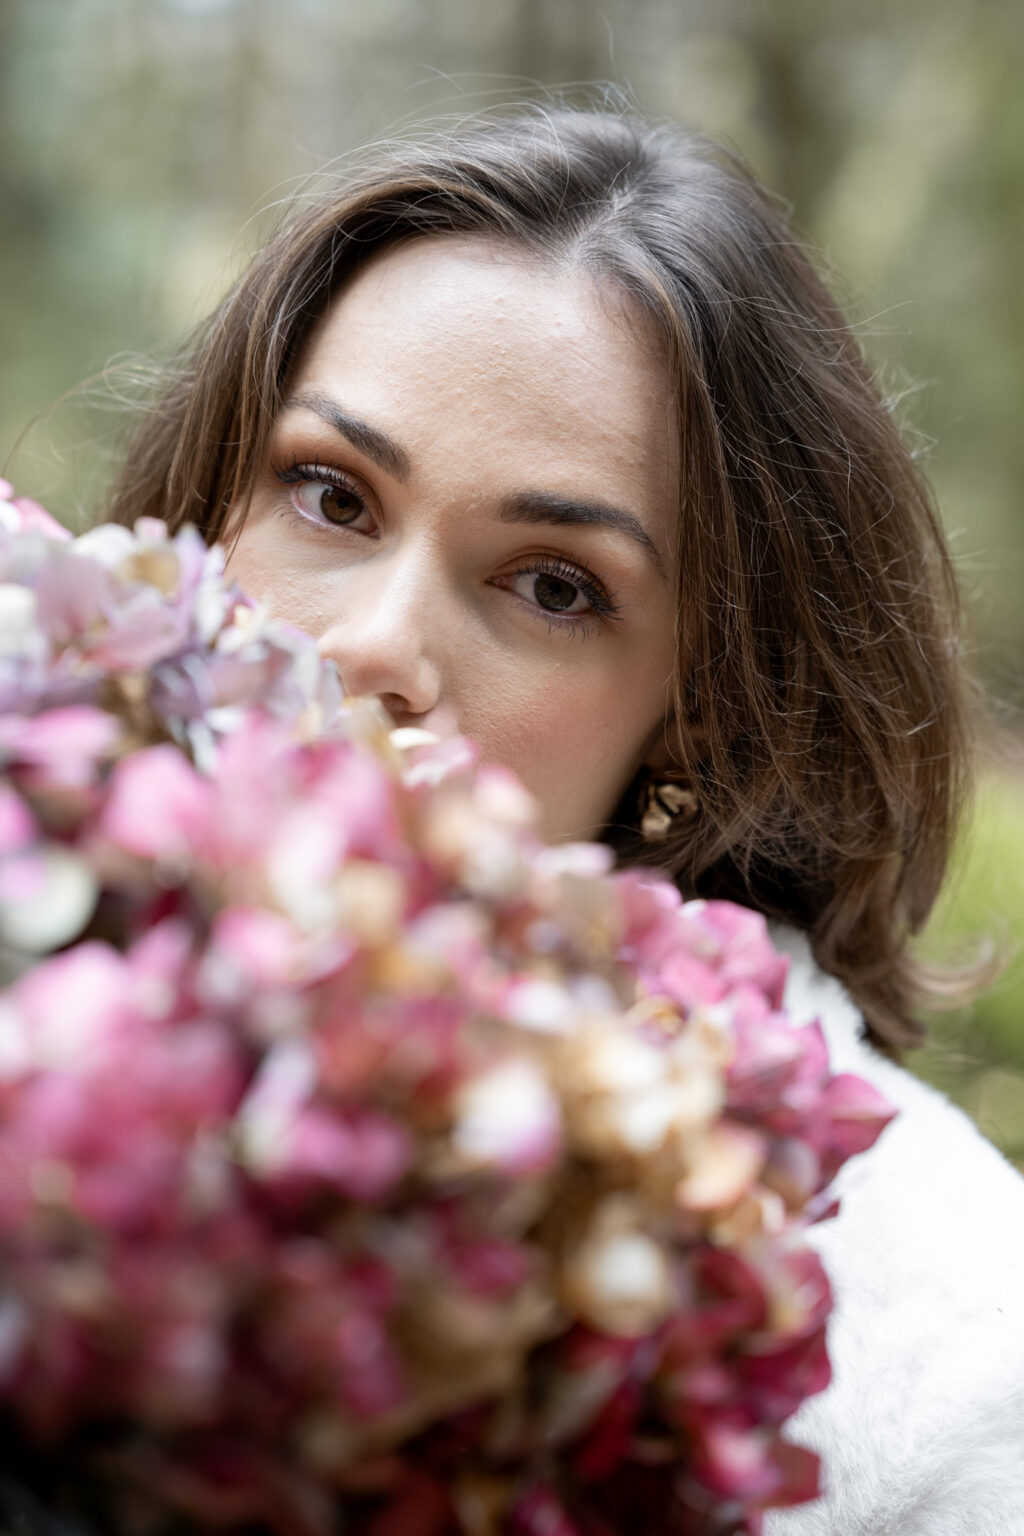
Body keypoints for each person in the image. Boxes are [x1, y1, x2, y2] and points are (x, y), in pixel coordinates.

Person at [102, 104, 1024, 1532]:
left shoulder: (951, 1350)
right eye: (330, 495)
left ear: (700, 709)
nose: (372, 650)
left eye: (552, 585)